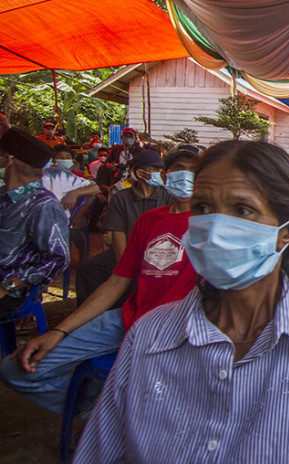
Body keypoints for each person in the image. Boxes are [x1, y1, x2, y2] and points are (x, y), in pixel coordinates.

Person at [67, 141, 289, 464]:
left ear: (286, 234)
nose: (215, 228)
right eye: (202, 208)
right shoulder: (150, 334)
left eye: (243, 210)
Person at [1, 148, 201, 415]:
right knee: (16, 370)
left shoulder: (212, 225)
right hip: (127, 319)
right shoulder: (149, 220)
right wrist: (59, 330)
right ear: (164, 176)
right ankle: (109, 414)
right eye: (178, 169)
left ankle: (125, 416)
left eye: (194, 171)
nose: (185, 176)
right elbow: (116, 282)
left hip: (176, 332)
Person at [75, 150, 172, 306]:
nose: (158, 174)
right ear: (140, 173)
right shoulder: (122, 198)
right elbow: (118, 234)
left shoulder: (167, 196)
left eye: (160, 170)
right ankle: (94, 316)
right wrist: (125, 266)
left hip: (160, 253)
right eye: (153, 170)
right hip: (129, 251)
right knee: (88, 269)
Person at [0, 128, 68, 315]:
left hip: (10, 292)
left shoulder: (43, 205)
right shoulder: (4, 196)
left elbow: (58, 259)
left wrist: (8, 286)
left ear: (9, 160)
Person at [42, 144, 99, 213]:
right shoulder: (44, 176)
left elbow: (95, 188)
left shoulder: (74, 177)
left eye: (67, 157)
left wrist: (74, 194)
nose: (64, 160)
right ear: (53, 160)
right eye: (60, 158)